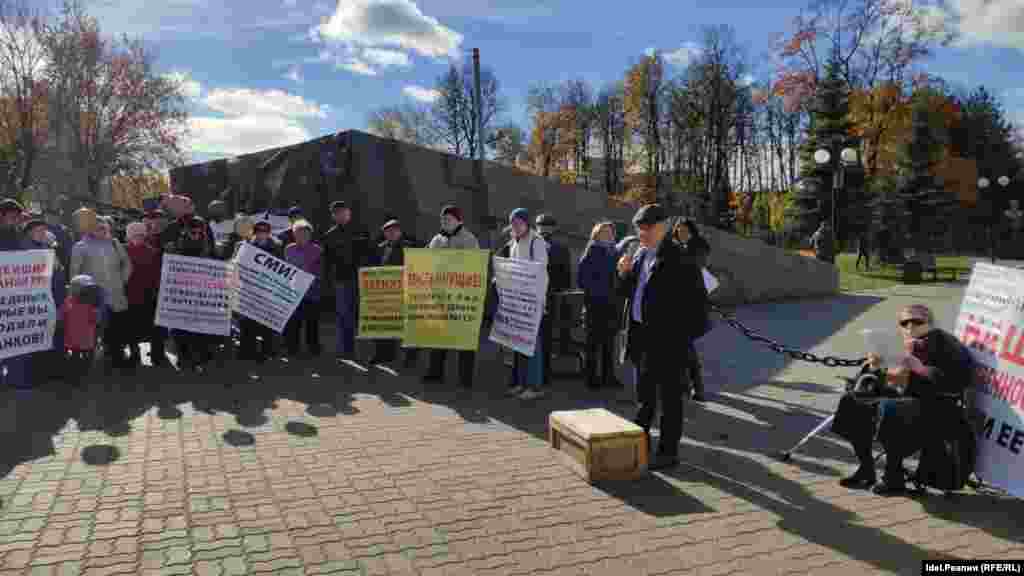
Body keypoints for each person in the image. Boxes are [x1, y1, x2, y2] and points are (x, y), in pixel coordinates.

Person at [831, 304, 973, 495]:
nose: (910, 326)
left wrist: (922, 370)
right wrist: (874, 366)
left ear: (930, 323)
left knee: (891, 409)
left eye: (917, 321)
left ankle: (893, 476)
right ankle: (866, 468)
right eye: (904, 322)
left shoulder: (946, 343)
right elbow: (886, 378)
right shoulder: (899, 342)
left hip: (935, 404)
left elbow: (957, 381)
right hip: (902, 396)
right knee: (852, 402)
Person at [617, 203, 709, 470]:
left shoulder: (680, 257)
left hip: (669, 342)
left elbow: (698, 305)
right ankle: (640, 444)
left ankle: (668, 453)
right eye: (639, 228)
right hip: (642, 338)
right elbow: (627, 293)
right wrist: (623, 274)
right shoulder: (639, 254)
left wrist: (680, 340)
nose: (642, 233)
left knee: (670, 400)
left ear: (664, 226)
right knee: (644, 397)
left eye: (648, 228)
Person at [424, 205, 479, 388]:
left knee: (464, 337)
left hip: (461, 296)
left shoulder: (469, 239)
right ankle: (435, 372)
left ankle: (465, 378)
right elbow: (427, 260)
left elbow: (475, 266)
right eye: (443, 219)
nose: (444, 221)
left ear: (458, 220)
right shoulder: (437, 239)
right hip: (440, 295)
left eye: (448, 218)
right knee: (438, 335)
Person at [71, 215, 133, 372]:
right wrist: (82, 292)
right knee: (92, 330)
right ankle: (88, 362)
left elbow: (127, 264)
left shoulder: (114, 243)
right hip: (94, 296)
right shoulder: (81, 246)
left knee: (116, 328)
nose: (103, 230)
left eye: (105, 228)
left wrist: (121, 280)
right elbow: (75, 273)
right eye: (98, 228)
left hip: (116, 293)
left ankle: (116, 357)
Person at [503, 208, 549, 400]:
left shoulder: (536, 241)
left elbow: (539, 269)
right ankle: (522, 383)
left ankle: (535, 386)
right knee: (519, 343)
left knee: (532, 344)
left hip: (531, 299)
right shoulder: (514, 241)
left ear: (526, 223)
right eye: (512, 223)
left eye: (518, 223)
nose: (515, 226)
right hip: (517, 299)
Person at [165, 215, 216, 373]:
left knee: (200, 326)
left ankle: (200, 356)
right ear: (186, 230)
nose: (196, 234)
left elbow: (217, 263)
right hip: (181, 292)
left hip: (201, 292)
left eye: (199, 231)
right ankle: (183, 355)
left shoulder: (208, 246)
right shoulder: (177, 245)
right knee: (180, 326)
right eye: (193, 231)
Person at [321, 201, 369, 361]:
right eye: (336, 213)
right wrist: (328, 282)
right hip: (341, 281)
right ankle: (347, 350)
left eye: (343, 211)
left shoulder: (362, 230)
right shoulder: (330, 235)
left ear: (349, 212)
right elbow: (327, 261)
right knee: (344, 315)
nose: (340, 215)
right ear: (333, 216)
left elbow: (371, 253)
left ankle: (366, 350)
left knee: (363, 315)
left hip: (362, 279)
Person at [23, 217, 67, 383]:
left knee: (54, 333)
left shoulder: (49, 248)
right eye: (38, 231)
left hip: (54, 297)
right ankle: (41, 370)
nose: (43, 234)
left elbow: (58, 271)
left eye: (44, 230)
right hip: (36, 301)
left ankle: (54, 368)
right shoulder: (24, 250)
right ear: (29, 233)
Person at [369, 219, 416, 367]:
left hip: (403, 291)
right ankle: (383, 354)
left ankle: (410, 358)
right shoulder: (379, 247)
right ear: (384, 233)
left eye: (394, 230)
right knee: (382, 324)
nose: (391, 233)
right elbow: (373, 267)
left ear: (400, 232)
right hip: (383, 291)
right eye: (388, 231)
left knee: (406, 326)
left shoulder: (409, 247)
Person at [577, 221, 618, 390]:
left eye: (610, 232)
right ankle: (592, 378)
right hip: (595, 303)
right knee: (593, 343)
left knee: (609, 343)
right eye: (604, 232)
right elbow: (582, 279)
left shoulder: (614, 251)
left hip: (611, 303)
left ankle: (609, 377)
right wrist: (598, 290)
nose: (608, 235)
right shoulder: (592, 250)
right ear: (596, 235)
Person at [673, 219, 711, 402]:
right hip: (679, 304)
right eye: (679, 231)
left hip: (690, 304)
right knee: (683, 346)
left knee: (685, 345)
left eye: (685, 231)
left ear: (692, 231)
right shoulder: (680, 248)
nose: (681, 234)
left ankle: (696, 387)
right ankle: (688, 386)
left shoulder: (696, 248)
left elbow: (693, 269)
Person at [235, 220, 281, 362]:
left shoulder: (277, 247)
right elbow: (237, 264)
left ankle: (267, 351)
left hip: (268, 289)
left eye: (265, 231)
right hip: (248, 288)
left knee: (267, 322)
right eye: (259, 231)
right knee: (247, 322)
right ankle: (247, 350)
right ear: (254, 232)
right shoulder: (245, 246)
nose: (262, 234)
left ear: (269, 233)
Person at [535, 213, 572, 387]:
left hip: (549, 296)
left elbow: (565, 277)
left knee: (545, 337)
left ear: (553, 229)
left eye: (546, 226)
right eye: (541, 226)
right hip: (533, 295)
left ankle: (544, 373)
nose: (544, 229)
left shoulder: (559, 249)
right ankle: (534, 373)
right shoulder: (529, 245)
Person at [124, 222, 161, 369]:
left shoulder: (153, 252)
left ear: (144, 236)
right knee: (131, 327)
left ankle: (157, 354)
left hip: (148, 295)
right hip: (129, 294)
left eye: (140, 235)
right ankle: (135, 353)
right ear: (129, 236)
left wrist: (157, 290)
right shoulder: (123, 251)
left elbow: (158, 274)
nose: (137, 238)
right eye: (134, 235)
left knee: (153, 327)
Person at [284, 220, 322, 357]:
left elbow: (321, 270)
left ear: (310, 235)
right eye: (299, 233)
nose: (302, 236)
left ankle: (313, 349)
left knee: (312, 322)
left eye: (305, 233)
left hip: (312, 291)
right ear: (294, 234)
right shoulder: (288, 249)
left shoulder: (317, 250)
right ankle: (292, 348)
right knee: (294, 322)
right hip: (293, 292)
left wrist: (311, 280)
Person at [62, 275, 101, 388]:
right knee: (87, 355)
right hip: (86, 337)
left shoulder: (68, 301)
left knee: (75, 356)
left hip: (72, 336)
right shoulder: (92, 304)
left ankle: (75, 376)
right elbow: (95, 320)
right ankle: (84, 373)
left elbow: (62, 316)